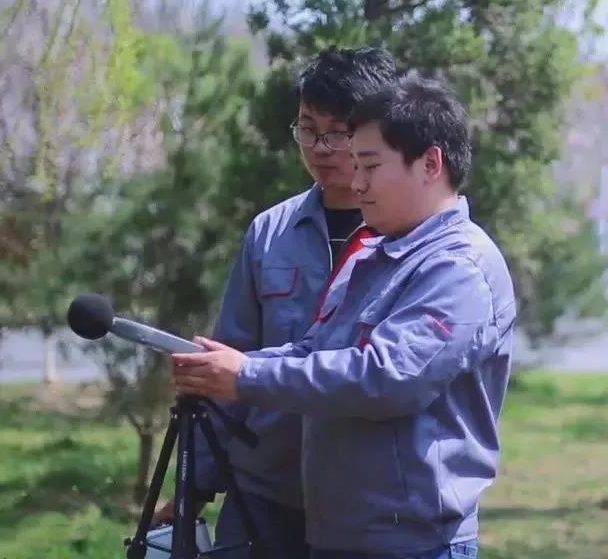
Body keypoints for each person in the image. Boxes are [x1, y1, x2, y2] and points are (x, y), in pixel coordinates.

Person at [172, 76, 517, 559]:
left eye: (370, 167)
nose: (357, 184)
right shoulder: (376, 253)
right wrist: (225, 367)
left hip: (412, 543)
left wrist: (247, 376)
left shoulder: (459, 268)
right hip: (339, 532)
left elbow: (386, 377)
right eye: (356, 166)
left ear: (430, 164)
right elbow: (316, 350)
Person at [153, 47, 399, 558]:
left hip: (365, 501)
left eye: (338, 133)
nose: (321, 148)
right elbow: (229, 360)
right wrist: (192, 487)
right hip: (262, 492)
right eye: (308, 129)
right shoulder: (271, 232)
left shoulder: (407, 239)